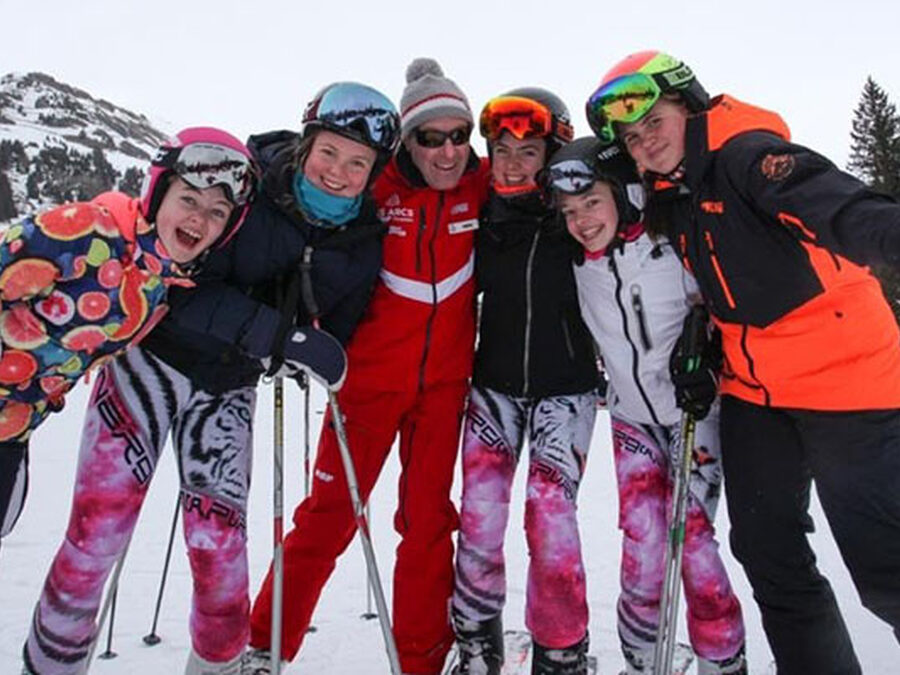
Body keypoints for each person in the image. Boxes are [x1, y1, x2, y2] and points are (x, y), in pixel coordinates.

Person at [23, 83, 399, 675]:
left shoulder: (360, 243)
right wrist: (275, 335)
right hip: (154, 362)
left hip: (231, 389)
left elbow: (338, 326)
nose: (338, 172)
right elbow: (175, 283)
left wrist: (313, 347)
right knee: (97, 537)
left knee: (220, 554)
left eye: (358, 163)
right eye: (329, 152)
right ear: (306, 144)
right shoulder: (245, 187)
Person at [586, 49, 900, 674]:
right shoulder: (673, 195)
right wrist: (700, 345)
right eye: (630, 136)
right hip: (757, 393)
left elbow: (844, 209)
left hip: (848, 384)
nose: (643, 143)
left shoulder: (750, 158)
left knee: (883, 565)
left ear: (689, 104)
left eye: (653, 121)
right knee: (768, 553)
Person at [245, 58, 490, 675]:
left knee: (429, 523)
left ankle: (421, 660)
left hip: (444, 390)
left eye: (460, 135)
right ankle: (264, 647)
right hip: (367, 388)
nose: (447, 150)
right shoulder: (375, 189)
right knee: (328, 519)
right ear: (405, 141)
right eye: (430, 137)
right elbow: (304, 189)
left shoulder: (479, 186)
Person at [543, 136, 746, 674]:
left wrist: (708, 355)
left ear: (624, 194)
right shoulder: (578, 264)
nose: (582, 220)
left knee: (696, 547)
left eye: (592, 203)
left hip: (692, 415)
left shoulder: (669, 243)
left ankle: (723, 661)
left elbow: (723, 305)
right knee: (642, 546)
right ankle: (642, 659)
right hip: (632, 419)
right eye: (570, 211)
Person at [0, 126, 256, 548]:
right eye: (188, 200)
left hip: (16, 424)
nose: (199, 218)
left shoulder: (160, 284)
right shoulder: (85, 231)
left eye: (217, 212)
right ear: (158, 195)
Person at [446, 88, 599, 675]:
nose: (511, 162)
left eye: (527, 151)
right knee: (481, 515)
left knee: (549, 513)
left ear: (554, 153)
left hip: (569, 387)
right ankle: (477, 643)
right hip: (495, 386)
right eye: (501, 149)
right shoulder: (483, 213)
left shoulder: (581, 213)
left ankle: (562, 652)